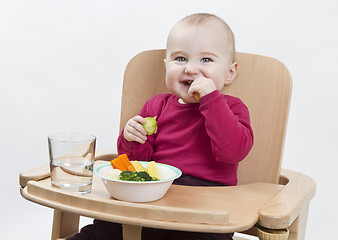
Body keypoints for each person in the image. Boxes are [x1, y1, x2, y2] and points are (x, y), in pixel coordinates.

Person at [68, 13, 254, 240]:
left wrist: (211, 99)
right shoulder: (156, 106)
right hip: (152, 199)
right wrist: (132, 138)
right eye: (180, 59)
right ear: (167, 65)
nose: (191, 69)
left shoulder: (231, 108)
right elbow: (135, 164)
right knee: (105, 227)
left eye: (206, 60)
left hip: (205, 213)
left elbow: (232, 151)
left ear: (230, 72)